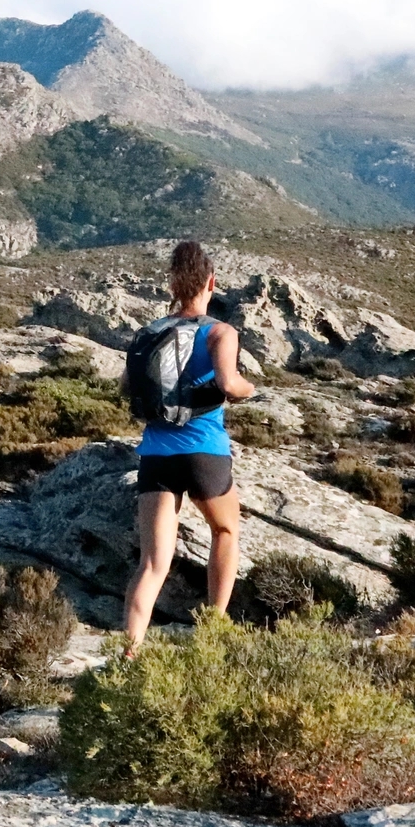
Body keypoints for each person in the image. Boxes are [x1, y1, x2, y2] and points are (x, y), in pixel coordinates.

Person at [122, 239, 257, 655]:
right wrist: (249, 390)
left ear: (172, 284)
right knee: (226, 530)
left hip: (156, 458)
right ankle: (213, 631)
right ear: (211, 282)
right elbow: (228, 384)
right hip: (203, 452)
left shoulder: (148, 334)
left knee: (152, 563)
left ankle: (129, 651)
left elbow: (128, 389)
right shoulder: (219, 331)